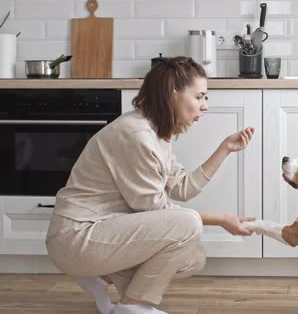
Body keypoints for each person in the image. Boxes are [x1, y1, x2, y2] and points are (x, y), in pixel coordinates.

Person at [45, 57, 255, 314]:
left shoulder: (158, 133)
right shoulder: (137, 135)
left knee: (192, 259)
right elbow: (155, 209)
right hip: (76, 237)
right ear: (172, 94)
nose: (204, 106)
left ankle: (101, 279)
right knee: (187, 225)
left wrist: (225, 149)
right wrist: (221, 219)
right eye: (199, 97)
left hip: (102, 231)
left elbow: (182, 189)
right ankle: (133, 307)